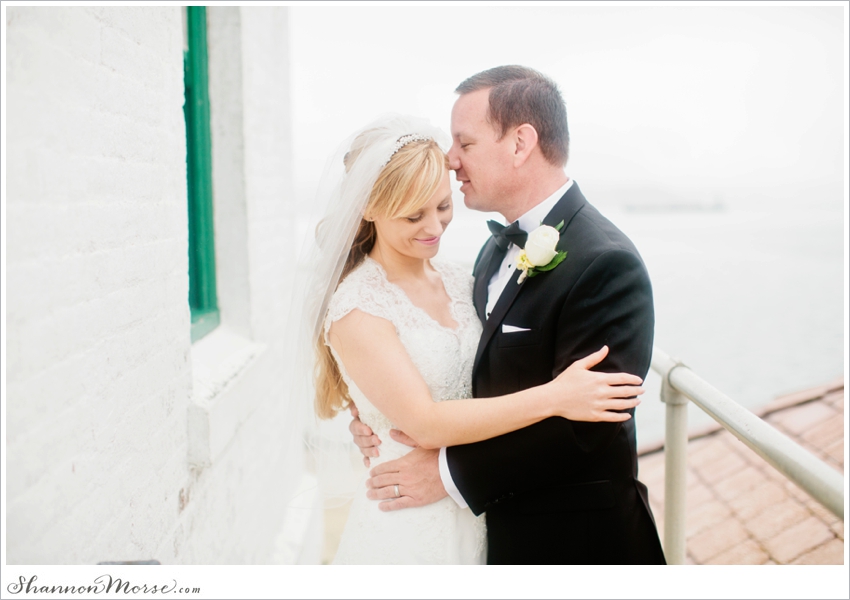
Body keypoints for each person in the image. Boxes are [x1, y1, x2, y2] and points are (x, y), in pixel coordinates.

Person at [349, 66, 667, 565]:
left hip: (574, 545)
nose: (450, 161)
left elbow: (587, 428)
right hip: (490, 535)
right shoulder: (489, 254)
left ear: (520, 144)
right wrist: (377, 412)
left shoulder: (606, 262)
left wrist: (449, 473)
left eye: (465, 144)